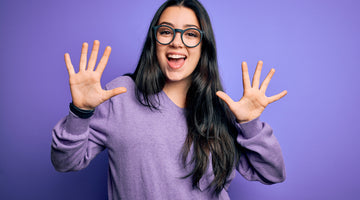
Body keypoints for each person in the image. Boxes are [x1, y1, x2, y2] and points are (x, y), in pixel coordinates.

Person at [51, 0, 288, 199]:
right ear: (154, 41)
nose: (177, 41)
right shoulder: (120, 95)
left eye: (191, 34)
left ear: (203, 47)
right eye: (166, 31)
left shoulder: (218, 109)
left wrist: (251, 125)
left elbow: (272, 173)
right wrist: (80, 112)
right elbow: (64, 162)